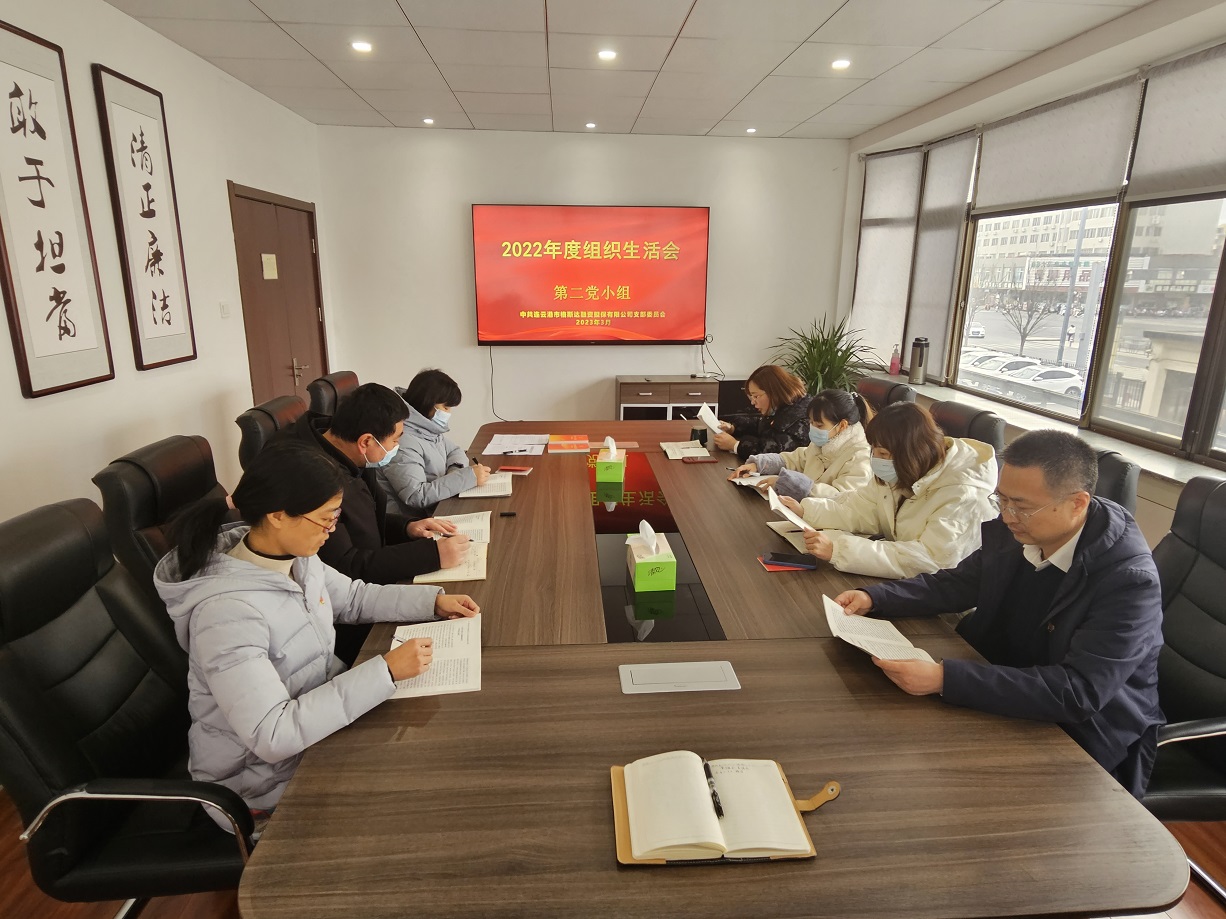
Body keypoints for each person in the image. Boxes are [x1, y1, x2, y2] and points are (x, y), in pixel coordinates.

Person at [154, 441, 480, 831]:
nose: (332, 530)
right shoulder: (226, 614)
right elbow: (272, 734)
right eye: (325, 519)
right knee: (435, 800)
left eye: (335, 516)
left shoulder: (296, 556)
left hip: (319, 731)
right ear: (278, 516)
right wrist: (385, 672)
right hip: (264, 786)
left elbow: (354, 598)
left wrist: (431, 602)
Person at [831, 430, 1163, 798]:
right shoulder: (1022, 530)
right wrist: (875, 598)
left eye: (1021, 506)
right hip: (1004, 686)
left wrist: (945, 679)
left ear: (1077, 504)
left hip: (1078, 736)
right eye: (1001, 499)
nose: (1006, 516)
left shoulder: (1129, 581)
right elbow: (957, 583)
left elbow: (1078, 692)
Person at [278, 383, 469, 665]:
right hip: (347, 625)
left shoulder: (348, 454)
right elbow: (347, 567)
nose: (397, 448)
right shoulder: (315, 480)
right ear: (366, 441)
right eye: (395, 440)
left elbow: (366, 520)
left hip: (368, 592)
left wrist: (407, 527)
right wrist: (432, 555)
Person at [781, 401, 996, 579]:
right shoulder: (905, 471)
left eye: (883, 454)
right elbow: (859, 509)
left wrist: (839, 550)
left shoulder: (963, 494)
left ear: (912, 452)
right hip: (903, 583)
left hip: (942, 603)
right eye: (874, 451)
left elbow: (929, 560)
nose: (876, 460)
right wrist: (807, 511)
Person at [378, 368, 491, 517]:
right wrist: (466, 478)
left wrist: (455, 473)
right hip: (413, 521)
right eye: (445, 407)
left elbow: (454, 451)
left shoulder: (426, 427)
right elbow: (415, 496)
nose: (448, 413)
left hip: (437, 506)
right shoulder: (403, 440)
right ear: (428, 404)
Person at [729, 388, 872, 501]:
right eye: (811, 422)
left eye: (819, 425)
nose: (813, 428)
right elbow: (797, 459)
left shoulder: (860, 457)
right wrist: (760, 465)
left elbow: (842, 497)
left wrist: (790, 485)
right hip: (804, 511)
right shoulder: (825, 441)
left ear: (842, 425)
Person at [712, 365, 813, 462]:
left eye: (756, 396)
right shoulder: (783, 406)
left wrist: (735, 445)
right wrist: (733, 428)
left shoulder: (802, 417)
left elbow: (776, 451)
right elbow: (760, 425)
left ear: (774, 392)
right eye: (751, 397)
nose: (752, 402)